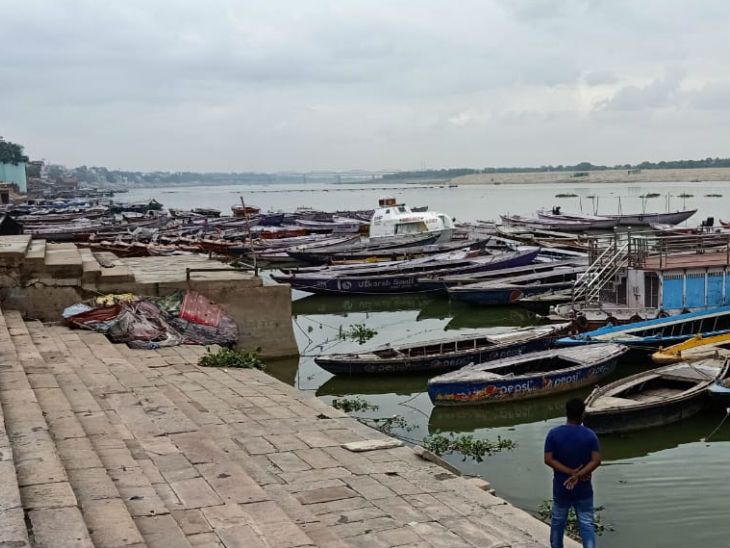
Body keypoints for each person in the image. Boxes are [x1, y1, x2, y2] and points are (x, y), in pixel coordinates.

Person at [544, 397, 602, 548]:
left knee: (558, 521)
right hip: (583, 489)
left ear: (566, 413)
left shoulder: (553, 434)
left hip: (562, 487)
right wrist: (578, 474)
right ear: (582, 414)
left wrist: (569, 472)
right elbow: (596, 460)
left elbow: (548, 459)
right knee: (586, 523)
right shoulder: (590, 435)